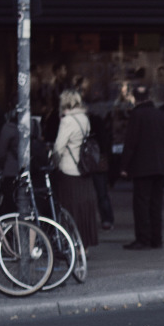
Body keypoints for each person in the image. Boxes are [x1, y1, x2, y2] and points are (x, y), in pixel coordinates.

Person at [121, 84, 164, 250]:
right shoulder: (161, 115)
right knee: (156, 205)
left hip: (142, 167)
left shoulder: (137, 115)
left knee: (141, 204)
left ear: (135, 98)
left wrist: (124, 165)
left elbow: (131, 142)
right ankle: (157, 238)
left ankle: (143, 238)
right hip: (159, 165)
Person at [52, 89, 101, 248]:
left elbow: (59, 147)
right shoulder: (84, 118)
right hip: (84, 168)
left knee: (70, 208)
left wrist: (53, 162)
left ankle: (71, 242)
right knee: (84, 207)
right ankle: (84, 243)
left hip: (69, 169)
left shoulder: (67, 121)